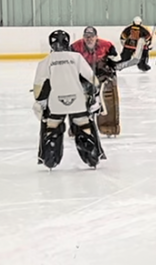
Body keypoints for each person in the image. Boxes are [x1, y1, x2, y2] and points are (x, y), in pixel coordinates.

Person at [32, 30, 107, 170]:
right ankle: (92, 157)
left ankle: (50, 158)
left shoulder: (45, 61)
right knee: (84, 126)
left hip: (56, 104)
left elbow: (39, 87)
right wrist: (94, 99)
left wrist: (41, 104)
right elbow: (91, 80)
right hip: (78, 102)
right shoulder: (77, 57)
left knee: (52, 128)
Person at [72, 26, 121, 136]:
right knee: (78, 102)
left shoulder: (107, 45)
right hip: (83, 79)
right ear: (83, 37)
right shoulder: (75, 47)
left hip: (103, 77)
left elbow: (116, 62)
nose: (89, 39)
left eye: (91, 36)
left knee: (107, 98)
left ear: (96, 37)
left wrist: (111, 71)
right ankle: (77, 128)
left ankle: (109, 126)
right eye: (87, 36)